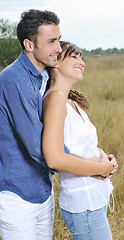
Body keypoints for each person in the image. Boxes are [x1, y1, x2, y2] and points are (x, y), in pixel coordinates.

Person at [0, 10, 117, 240]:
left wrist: (97, 156)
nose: (58, 47)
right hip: (18, 196)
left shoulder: (42, 77)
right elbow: (39, 147)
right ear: (29, 45)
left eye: (58, 38)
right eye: (51, 41)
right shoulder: (14, 81)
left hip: (43, 191)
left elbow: (65, 137)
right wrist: (95, 166)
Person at [42, 41, 118, 240]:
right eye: (74, 57)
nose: (82, 62)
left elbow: (81, 145)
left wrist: (104, 158)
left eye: (81, 58)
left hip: (94, 199)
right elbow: (55, 157)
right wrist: (100, 168)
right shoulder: (55, 100)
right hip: (83, 203)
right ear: (55, 63)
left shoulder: (71, 101)